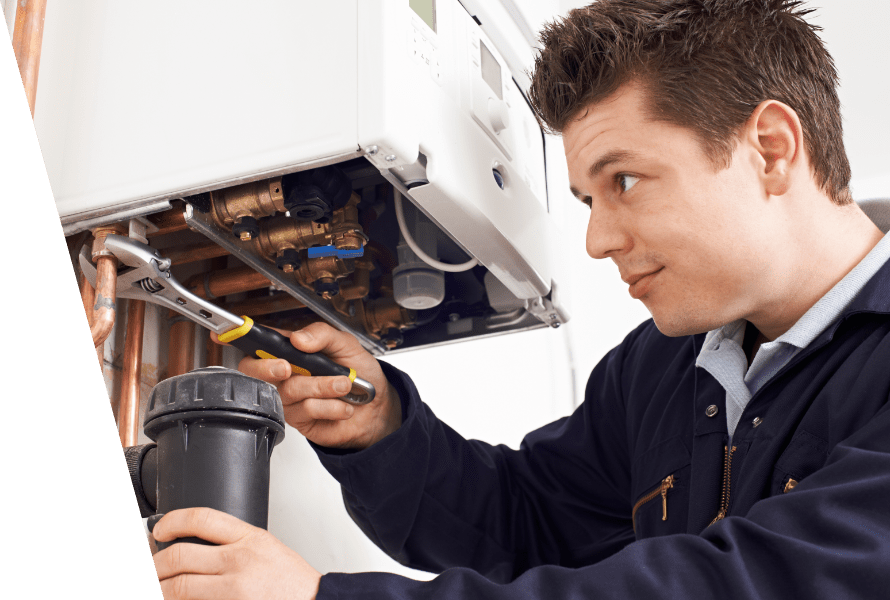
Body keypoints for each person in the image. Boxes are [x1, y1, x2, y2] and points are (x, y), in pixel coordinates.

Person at [150, 0, 890, 598]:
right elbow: (525, 519)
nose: (598, 241)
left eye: (624, 181)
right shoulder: (665, 365)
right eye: (587, 199)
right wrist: (379, 430)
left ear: (770, 147)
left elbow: (751, 582)